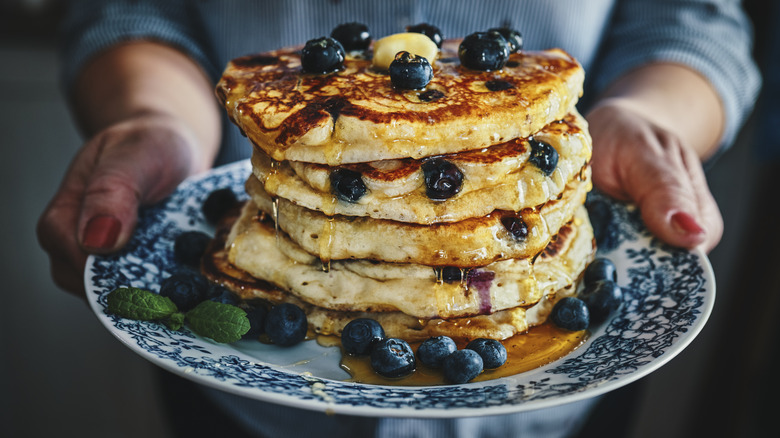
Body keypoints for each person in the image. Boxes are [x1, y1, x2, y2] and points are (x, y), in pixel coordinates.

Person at [37, 1, 760, 437]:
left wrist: (645, 116)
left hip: (550, 417)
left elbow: (691, 20)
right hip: (245, 407)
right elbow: (127, 9)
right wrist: (155, 116)